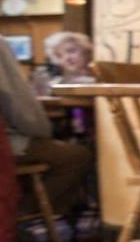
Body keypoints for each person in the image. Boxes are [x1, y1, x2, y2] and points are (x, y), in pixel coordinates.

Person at [0, 34, 92, 222]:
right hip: (7, 145)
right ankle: (25, 212)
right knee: (78, 155)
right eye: (60, 55)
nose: (67, 58)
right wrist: (43, 131)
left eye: (73, 51)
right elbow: (23, 111)